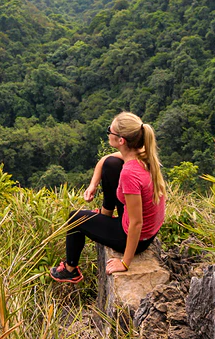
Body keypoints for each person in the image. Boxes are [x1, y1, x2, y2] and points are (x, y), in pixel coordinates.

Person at [50, 111, 167, 283]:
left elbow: (136, 223)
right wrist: (93, 184)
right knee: (111, 165)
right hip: (148, 229)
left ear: (121, 140)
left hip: (137, 238)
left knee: (75, 218)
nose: (108, 134)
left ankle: (70, 269)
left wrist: (125, 263)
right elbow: (106, 160)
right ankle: (105, 215)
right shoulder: (142, 154)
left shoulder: (129, 173)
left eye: (109, 131)